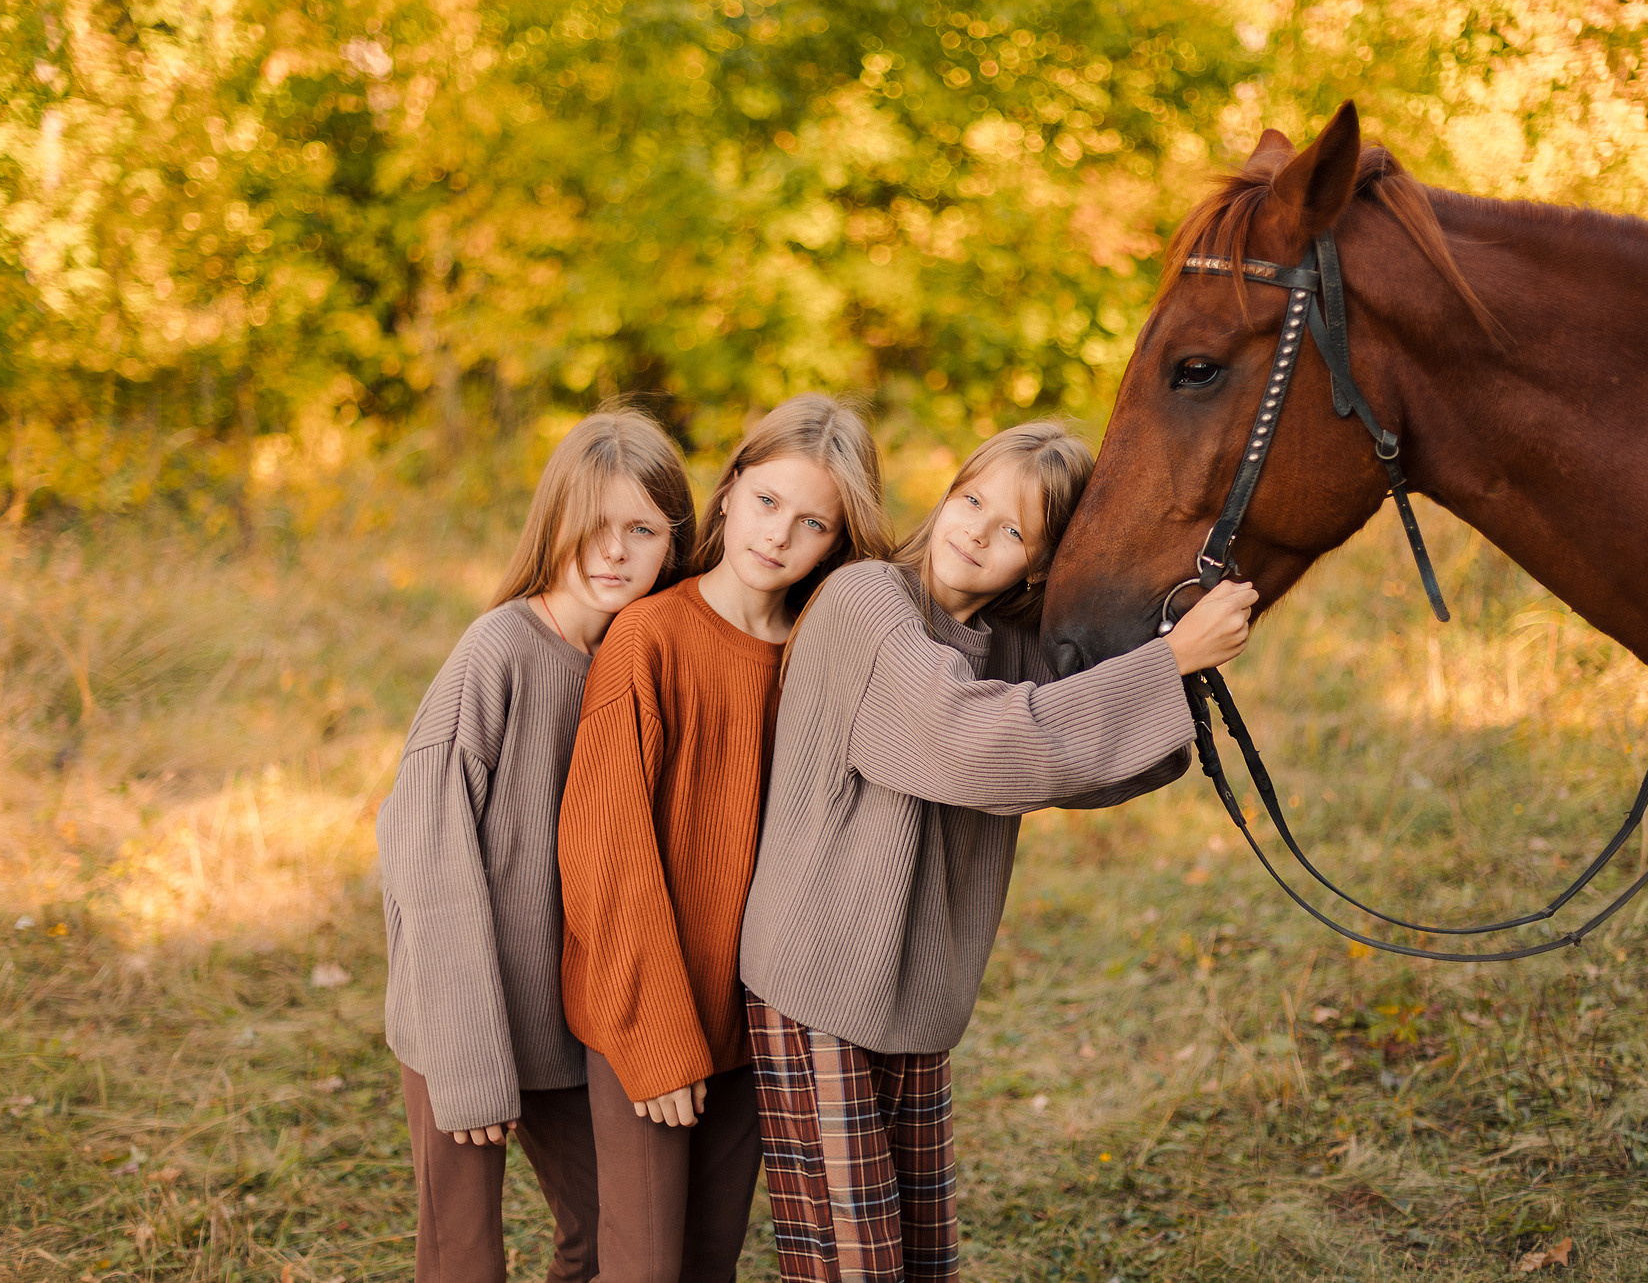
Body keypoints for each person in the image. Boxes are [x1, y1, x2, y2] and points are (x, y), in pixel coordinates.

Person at [737, 420, 1259, 1282]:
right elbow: (972, 743)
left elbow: (1081, 763)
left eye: (1012, 529)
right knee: (851, 1265)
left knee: (923, 1259)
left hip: (917, 993)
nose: (975, 530)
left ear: (1042, 565)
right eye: (970, 499)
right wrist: (1164, 667)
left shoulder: (1013, 648)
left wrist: (1177, 646)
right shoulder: (867, 600)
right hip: (817, 984)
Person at [557, 393, 892, 1283]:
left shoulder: (820, 656)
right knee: (644, 1261)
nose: (779, 536)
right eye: (768, 501)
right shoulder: (649, 639)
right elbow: (606, 854)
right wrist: (658, 1038)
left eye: (812, 521)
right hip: (647, 1012)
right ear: (730, 490)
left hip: (759, 1018)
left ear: (838, 541)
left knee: (710, 1259)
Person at [376, 409, 696, 1283]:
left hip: (568, 1020)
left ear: (675, 540)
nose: (613, 552)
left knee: (603, 1232)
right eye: (591, 525)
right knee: (463, 1253)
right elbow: (427, 862)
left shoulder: (639, 659)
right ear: (550, 522)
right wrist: (468, 1058)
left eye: (641, 529)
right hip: (463, 1013)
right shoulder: (499, 652)